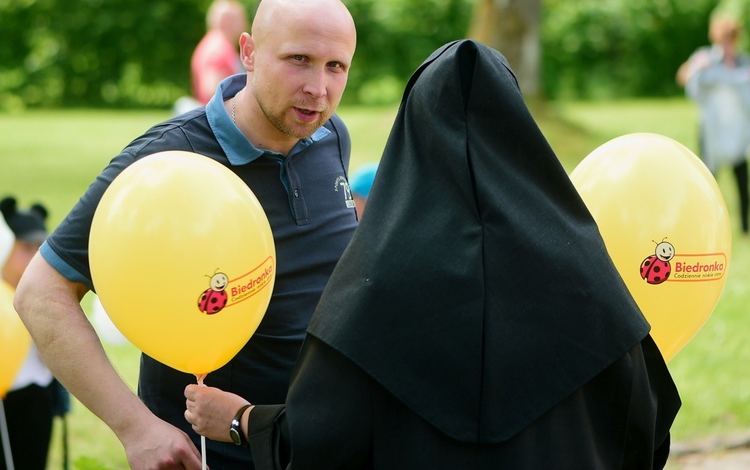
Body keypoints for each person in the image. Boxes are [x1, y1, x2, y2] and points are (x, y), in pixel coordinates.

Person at [184, 39, 682, 469]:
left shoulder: (372, 292)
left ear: (411, 138)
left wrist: (242, 420)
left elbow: (323, 443)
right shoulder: (590, 282)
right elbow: (645, 428)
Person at [14, 0, 358, 469]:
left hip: (313, 444)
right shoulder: (166, 157)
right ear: (249, 53)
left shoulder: (330, 135)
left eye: (335, 66)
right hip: (212, 456)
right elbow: (40, 291)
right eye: (298, 59)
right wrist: (136, 428)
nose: (318, 89)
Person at [0, 197, 66, 470]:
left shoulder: (47, 292)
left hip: (36, 395)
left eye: (40, 248)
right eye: (25, 248)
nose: (33, 256)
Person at [676, 14, 750, 234]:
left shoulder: (743, 63)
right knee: (707, 182)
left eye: (731, 38)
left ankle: (745, 228)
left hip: (736, 133)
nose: (727, 44)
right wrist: (696, 67)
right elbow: (683, 78)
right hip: (711, 132)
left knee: (742, 181)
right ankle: (703, 226)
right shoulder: (705, 58)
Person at [175, 0, 249, 115]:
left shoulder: (210, 43)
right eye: (242, 19)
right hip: (218, 120)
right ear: (229, 22)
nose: (245, 24)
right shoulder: (219, 49)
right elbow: (213, 90)